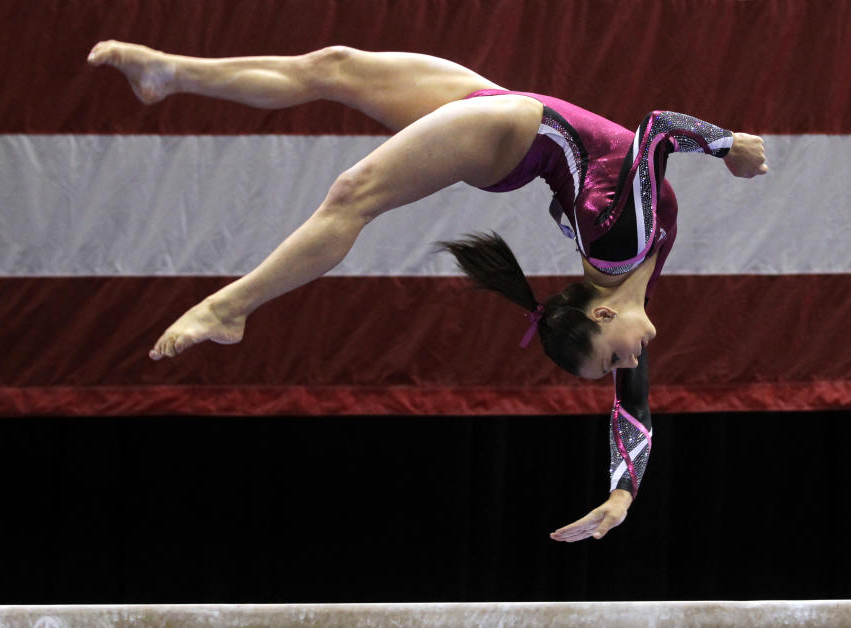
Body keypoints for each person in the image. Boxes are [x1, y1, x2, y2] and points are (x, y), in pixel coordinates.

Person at [88, 41, 768, 542]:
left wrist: (622, 494)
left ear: (597, 313)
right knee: (334, 67)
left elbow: (632, 404)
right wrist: (728, 144)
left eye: (613, 362)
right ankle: (169, 73)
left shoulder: (623, 259)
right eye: (617, 363)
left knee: (353, 194)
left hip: (510, 132)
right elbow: (657, 129)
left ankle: (231, 306)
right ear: (601, 312)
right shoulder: (630, 248)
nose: (631, 364)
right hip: (512, 119)